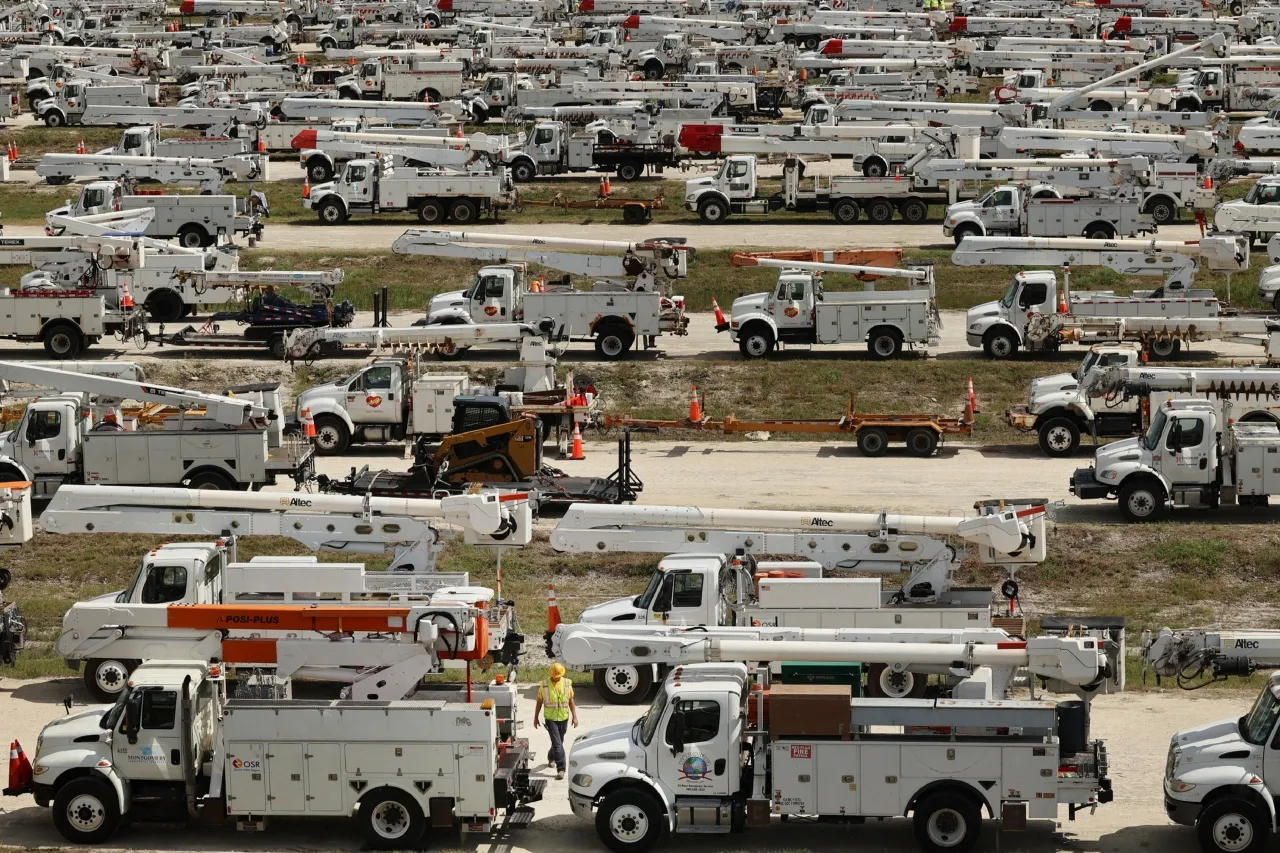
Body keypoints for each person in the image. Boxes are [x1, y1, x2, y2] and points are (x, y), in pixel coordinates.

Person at [534, 662, 578, 780]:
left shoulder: (567, 683)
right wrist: (536, 717)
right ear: (551, 674)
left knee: (559, 741)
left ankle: (551, 757)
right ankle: (561, 769)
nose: (557, 677)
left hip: (564, 717)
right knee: (558, 744)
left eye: (559, 676)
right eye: (555, 676)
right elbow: (539, 702)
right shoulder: (544, 685)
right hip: (551, 719)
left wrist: (575, 716)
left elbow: (571, 701)